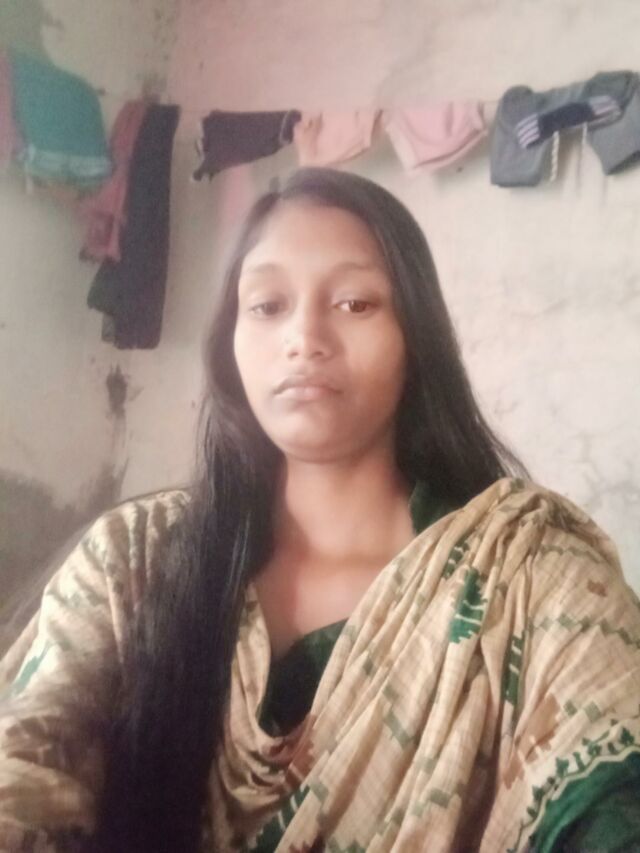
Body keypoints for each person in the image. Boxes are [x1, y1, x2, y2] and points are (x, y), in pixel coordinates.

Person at [0, 168, 639, 853]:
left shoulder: (531, 571)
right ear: (229, 342)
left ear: (416, 337)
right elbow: (29, 766)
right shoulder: (132, 561)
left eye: (355, 303)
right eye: (267, 304)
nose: (304, 337)